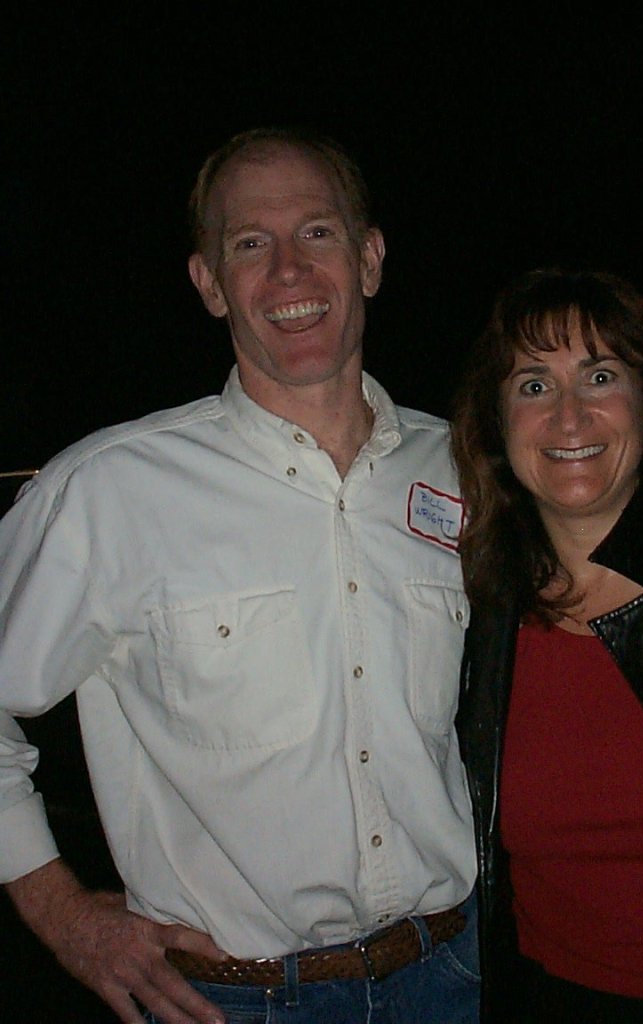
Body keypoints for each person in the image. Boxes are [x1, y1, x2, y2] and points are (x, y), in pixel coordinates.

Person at [0, 127, 479, 1024]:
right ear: (210, 283)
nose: (290, 270)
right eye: (251, 243)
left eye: (318, 232)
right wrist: (63, 916)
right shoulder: (111, 490)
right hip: (234, 1001)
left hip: (453, 974)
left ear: (370, 259)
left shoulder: (458, 467)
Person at [451, 267, 643, 1023]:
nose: (569, 416)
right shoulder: (469, 616)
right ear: (497, 423)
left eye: (600, 376)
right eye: (534, 385)